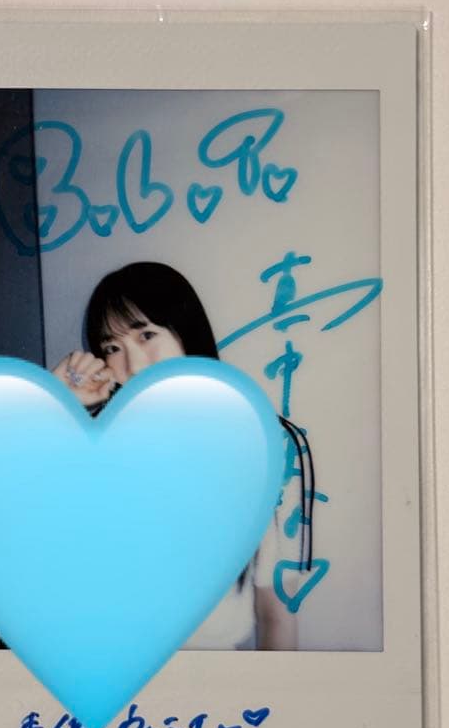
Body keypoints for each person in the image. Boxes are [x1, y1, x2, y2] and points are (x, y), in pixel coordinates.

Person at [52, 262, 310, 651]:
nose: (134, 365)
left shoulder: (264, 447)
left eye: (146, 335)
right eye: (112, 348)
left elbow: (277, 615)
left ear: (185, 332)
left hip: (210, 678)